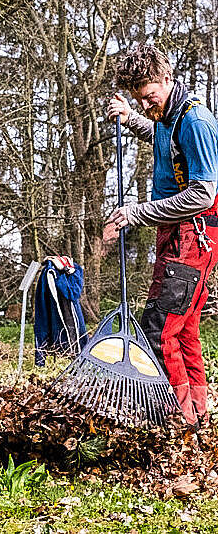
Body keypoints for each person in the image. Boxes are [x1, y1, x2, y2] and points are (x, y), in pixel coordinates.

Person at [107, 44, 218, 426]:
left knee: (159, 328)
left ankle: (175, 420)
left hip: (196, 235)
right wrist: (130, 118)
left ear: (168, 79)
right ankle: (197, 415)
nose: (146, 107)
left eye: (149, 97)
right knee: (183, 329)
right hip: (174, 233)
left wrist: (137, 213)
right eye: (139, 101)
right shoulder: (166, 116)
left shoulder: (196, 121)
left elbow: (204, 193)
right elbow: (159, 133)